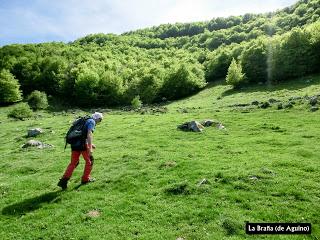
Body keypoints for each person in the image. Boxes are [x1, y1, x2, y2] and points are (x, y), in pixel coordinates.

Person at [57, 112, 103, 190]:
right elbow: (89, 134)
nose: (99, 122)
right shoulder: (92, 121)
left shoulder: (84, 119)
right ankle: (85, 179)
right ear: (97, 118)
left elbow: (81, 134)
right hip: (83, 145)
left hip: (74, 144)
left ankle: (63, 181)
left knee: (74, 162)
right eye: (100, 120)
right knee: (90, 161)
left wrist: (91, 144)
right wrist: (90, 148)